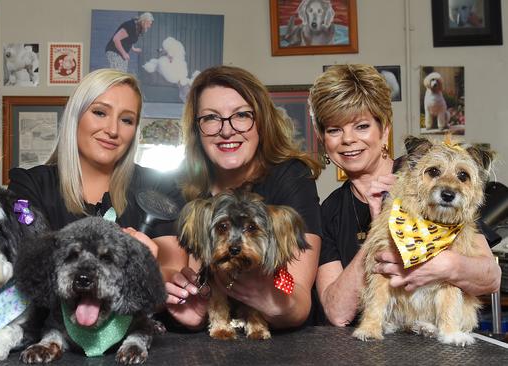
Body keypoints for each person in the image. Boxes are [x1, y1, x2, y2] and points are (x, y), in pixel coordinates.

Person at [310, 64, 501, 327]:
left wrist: (443, 266)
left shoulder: (429, 174)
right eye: (334, 130)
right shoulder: (329, 210)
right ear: (323, 138)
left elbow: (490, 277)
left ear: (384, 129)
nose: (348, 139)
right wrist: (379, 230)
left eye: (362, 126)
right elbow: (337, 312)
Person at [165, 65, 323, 330]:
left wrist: (260, 295)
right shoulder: (179, 187)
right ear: (196, 129)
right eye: (211, 118)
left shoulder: (291, 177)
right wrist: (186, 296)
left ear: (261, 121)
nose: (227, 131)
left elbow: (297, 304)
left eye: (241, 115)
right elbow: (192, 293)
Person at [7, 68, 186, 282]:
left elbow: (174, 270)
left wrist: (146, 269)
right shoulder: (28, 187)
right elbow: (28, 263)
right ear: (75, 116)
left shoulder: (159, 186)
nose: (113, 130)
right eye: (100, 113)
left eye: (127, 120)